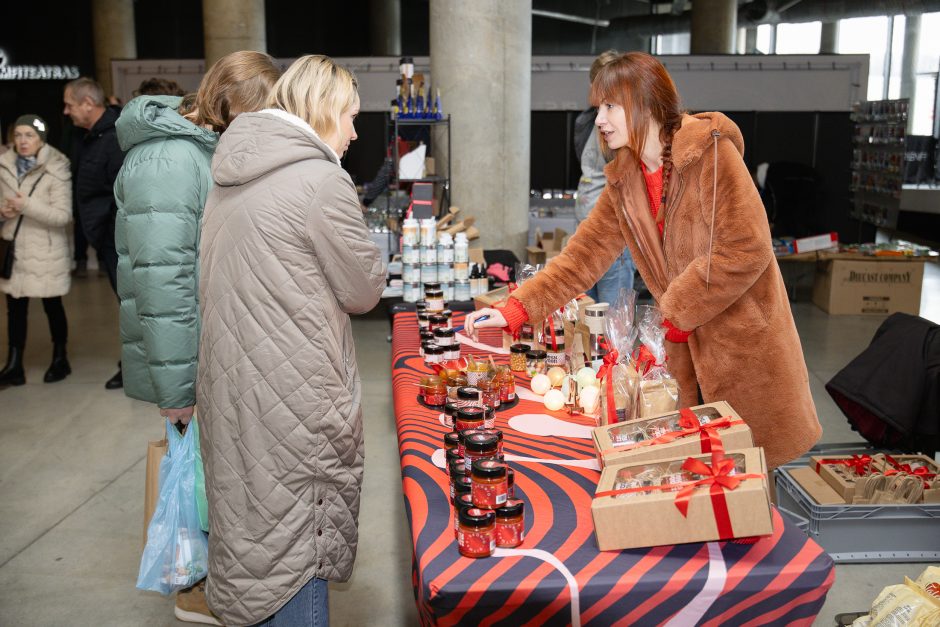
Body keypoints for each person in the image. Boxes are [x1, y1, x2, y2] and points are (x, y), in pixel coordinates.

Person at [467, 52, 821, 469]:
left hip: (747, 348)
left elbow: (746, 248)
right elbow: (581, 258)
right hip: (685, 353)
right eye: (598, 106)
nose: (599, 119)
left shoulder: (711, 155)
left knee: (751, 486)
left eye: (610, 106)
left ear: (646, 103)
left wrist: (673, 310)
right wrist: (517, 308)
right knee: (699, 483)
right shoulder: (625, 180)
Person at [197, 54, 385, 627]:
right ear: (325, 111)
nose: (355, 132)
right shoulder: (321, 180)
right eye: (352, 116)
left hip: (237, 391)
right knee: (296, 549)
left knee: (254, 541)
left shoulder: (231, 171)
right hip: (295, 401)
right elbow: (364, 289)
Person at [114, 50, 281, 625]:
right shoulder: (171, 159)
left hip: (213, 349)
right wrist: (178, 387)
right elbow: (162, 287)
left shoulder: (197, 148)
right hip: (191, 358)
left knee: (221, 484)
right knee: (203, 487)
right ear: (235, 107)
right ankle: (196, 590)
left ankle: (217, 582)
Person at [0, 115, 73, 386]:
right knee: (14, 309)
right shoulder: (4, 165)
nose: (22, 141)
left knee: (52, 306)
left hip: (46, 250)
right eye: (18, 135)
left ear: (41, 138)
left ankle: (60, 358)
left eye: (29, 135)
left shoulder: (57, 167)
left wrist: (26, 205)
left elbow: (63, 215)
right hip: (15, 250)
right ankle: (14, 364)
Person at [63, 77, 125, 389]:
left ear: (88, 103)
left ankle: (134, 367)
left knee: (131, 306)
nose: (66, 111)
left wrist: (105, 231)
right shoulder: (91, 135)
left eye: (70, 104)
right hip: (105, 238)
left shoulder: (113, 137)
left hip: (115, 238)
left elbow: (122, 194)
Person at [574, 50, 635, 304]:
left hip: (610, 237)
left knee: (611, 322)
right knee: (591, 317)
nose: (603, 118)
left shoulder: (595, 124)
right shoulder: (592, 122)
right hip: (592, 231)